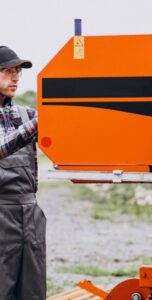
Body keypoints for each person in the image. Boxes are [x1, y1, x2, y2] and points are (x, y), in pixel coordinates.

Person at [0, 46, 45, 300]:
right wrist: (42, 121)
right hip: (1, 214)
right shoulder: (34, 120)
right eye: (8, 70)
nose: (15, 77)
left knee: (32, 290)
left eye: (18, 71)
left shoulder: (26, 115)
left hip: (30, 213)